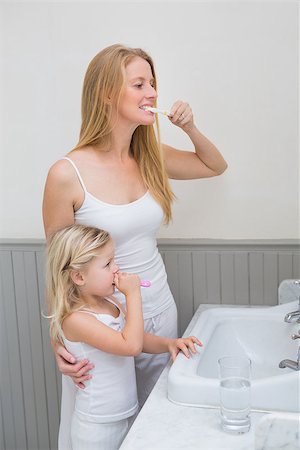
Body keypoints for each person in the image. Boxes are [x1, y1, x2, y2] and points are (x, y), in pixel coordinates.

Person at [42, 43, 227, 448]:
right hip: (102, 324)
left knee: (161, 428)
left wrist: (190, 128)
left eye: (153, 83)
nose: (153, 93)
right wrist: (59, 341)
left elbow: (215, 165)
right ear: (107, 93)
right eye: (139, 84)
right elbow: (58, 270)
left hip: (158, 309)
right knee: (105, 430)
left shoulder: (151, 157)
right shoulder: (66, 174)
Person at [46, 224, 201, 450]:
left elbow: (137, 337)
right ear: (79, 276)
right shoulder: (77, 320)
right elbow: (131, 346)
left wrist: (169, 344)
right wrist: (133, 294)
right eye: (108, 264)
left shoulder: (110, 303)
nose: (116, 269)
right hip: (97, 426)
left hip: (126, 412)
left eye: (114, 260)